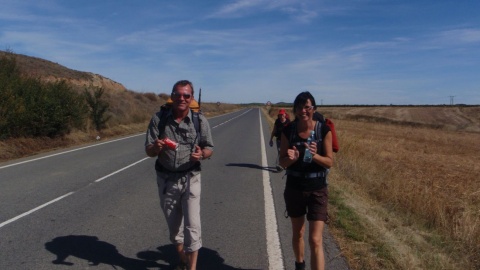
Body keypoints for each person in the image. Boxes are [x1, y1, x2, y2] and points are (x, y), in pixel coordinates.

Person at [145, 80, 214, 270]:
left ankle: (191, 268)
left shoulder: (200, 121)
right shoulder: (159, 119)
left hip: (192, 177)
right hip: (166, 180)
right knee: (175, 229)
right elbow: (149, 151)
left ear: (191, 98)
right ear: (172, 96)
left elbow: (209, 148)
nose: (181, 98)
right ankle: (182, 259)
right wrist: (155, 148)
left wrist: (202, 154)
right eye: (177, 94)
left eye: (186, 95)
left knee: (193, 225)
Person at [279, 91, 334, 270]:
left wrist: (315, 155)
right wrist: (292, 159)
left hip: (317, 189)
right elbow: (282, 162)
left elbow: (329, 162)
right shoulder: (288, 130)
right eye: (300, 107)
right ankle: (300, 265)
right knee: (298, 233)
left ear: (313, 109)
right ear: (295, 109)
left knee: (315, 240)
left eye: (307, 107)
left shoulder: (323, 130)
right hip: (295, 188)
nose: (303, 111)